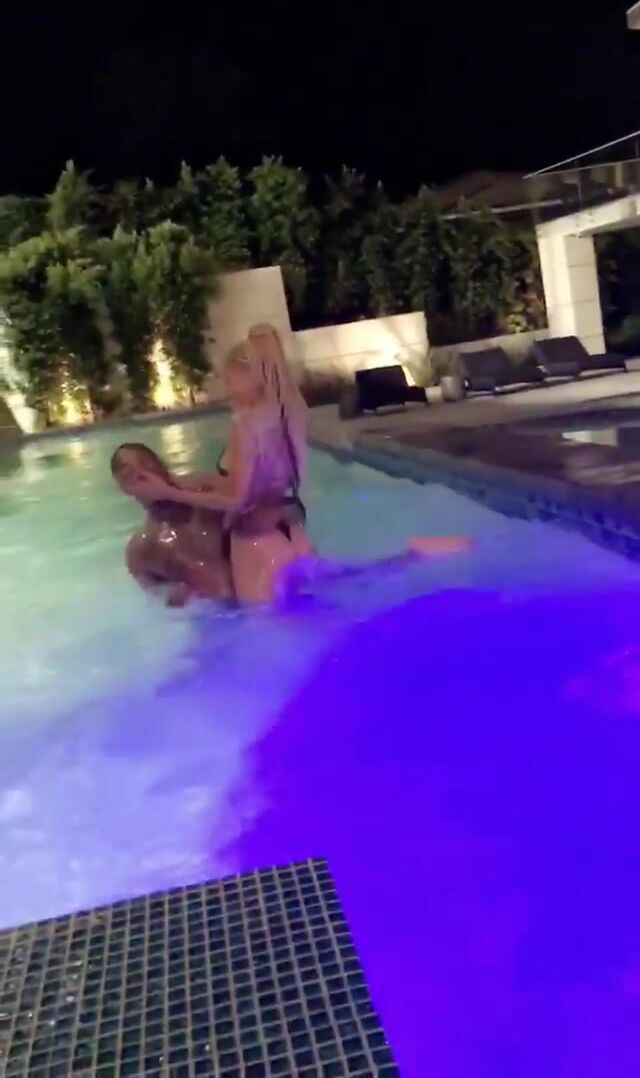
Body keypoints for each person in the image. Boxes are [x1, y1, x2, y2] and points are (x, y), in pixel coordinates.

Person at [123, 327, 314, 603]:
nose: (227, 388)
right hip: (292, 532)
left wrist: (170, 493)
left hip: (253, 538)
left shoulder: (245, 423)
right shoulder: (289, 412)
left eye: (229, 379)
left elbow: (238, 499)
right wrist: (191, 481)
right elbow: (254, 482)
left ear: (247, 377)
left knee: (265, 626)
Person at [111, 443, 233, 606]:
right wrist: (182, 593)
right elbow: (162, 607)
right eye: (129, 474)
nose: (142, 476)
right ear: (124, 488)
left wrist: (172, 494)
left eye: (146, 465)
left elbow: (247, 501)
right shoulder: (141, 550)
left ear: (161, 465)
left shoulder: (206, 490)